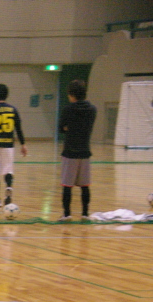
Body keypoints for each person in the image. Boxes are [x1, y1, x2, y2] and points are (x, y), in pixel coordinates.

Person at [58, 79, 97, 222]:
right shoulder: (92, 109)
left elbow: (61, 128)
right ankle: (85, 214)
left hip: (70, 151)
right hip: (85, 151)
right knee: (85, 186)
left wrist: (69, 128)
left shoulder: (68, 109)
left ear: (72, 94)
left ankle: (67, 214)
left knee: (67, 186)